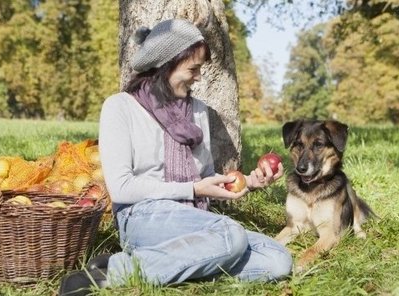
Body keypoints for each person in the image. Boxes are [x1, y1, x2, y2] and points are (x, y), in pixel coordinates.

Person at [59, 18, 292, 295]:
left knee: (278, 260)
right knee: (231, 235)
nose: (199, 76)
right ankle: (109, 273)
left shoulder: (196, 110)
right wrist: (192, 188)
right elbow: (121, 188)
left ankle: (165, 266)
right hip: (143, 215)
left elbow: (205, 178)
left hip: (193, 217)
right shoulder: (120, 107)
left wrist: (249, 182)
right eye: (193, 68)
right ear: (166, 64)